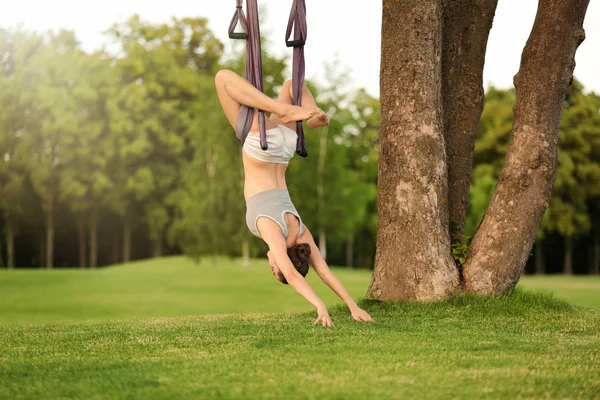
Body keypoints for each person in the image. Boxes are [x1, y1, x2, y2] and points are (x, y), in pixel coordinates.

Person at [214, 69, 374, 326]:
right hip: (261, 148)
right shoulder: (270, 231)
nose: (273, 267)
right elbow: (291, 272)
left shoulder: (300, 232)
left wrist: (351, 305)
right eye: (274, 270)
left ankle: (314, 115)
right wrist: (319, 305)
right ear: (280, 261)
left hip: (285, 146)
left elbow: (324, 272)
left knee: (292, 85)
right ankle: (286, 109)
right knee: (222, 78)